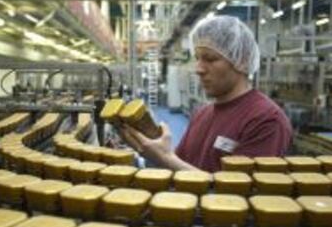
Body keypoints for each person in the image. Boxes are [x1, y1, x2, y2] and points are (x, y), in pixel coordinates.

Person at [119, 15, 292, 172]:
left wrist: (165, 158)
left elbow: (238, 198)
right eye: (198, 58)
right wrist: (150, 153)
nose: (198, 69)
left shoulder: (266, 121)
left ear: (243, 61)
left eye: (210, 59)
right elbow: (179, 167)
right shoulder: (202, 113)